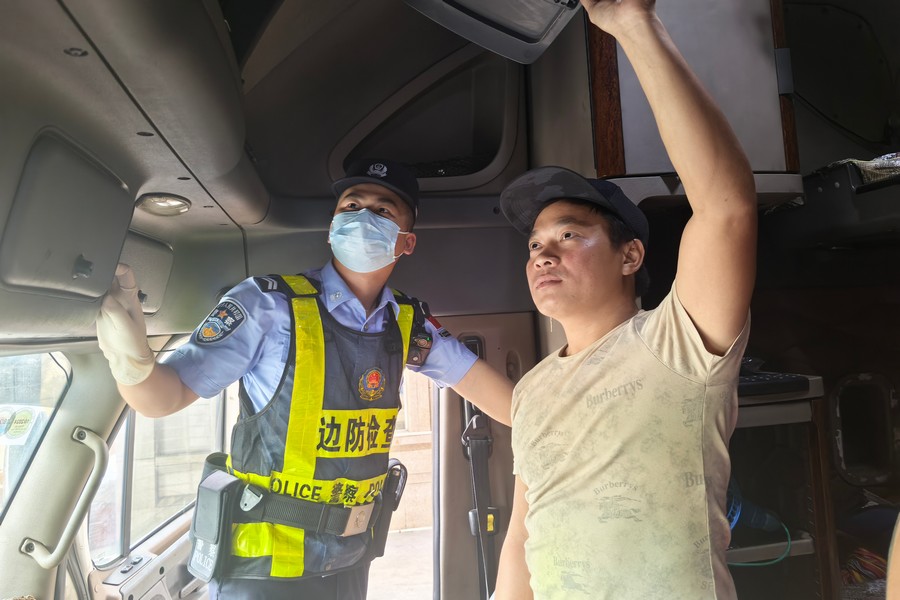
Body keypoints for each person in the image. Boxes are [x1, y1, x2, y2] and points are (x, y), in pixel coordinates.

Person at [95, 158, 514, 600]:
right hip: (262, 569)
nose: (362, 218)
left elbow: (506, 403)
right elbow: (164, 397)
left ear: (406, 242)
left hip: (350, 559)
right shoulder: (267, 305)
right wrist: (131, 359)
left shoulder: (408, 321)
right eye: (351, 206)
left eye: (382, 211)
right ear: (332, 227)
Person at [493, 1, 757, 599]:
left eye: (568, 236)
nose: (542, 255)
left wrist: (632, 23)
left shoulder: (676, 343)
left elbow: (727, 207)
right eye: (534, 244)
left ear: (630, 256)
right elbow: (522, 535)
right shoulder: (531, 390)